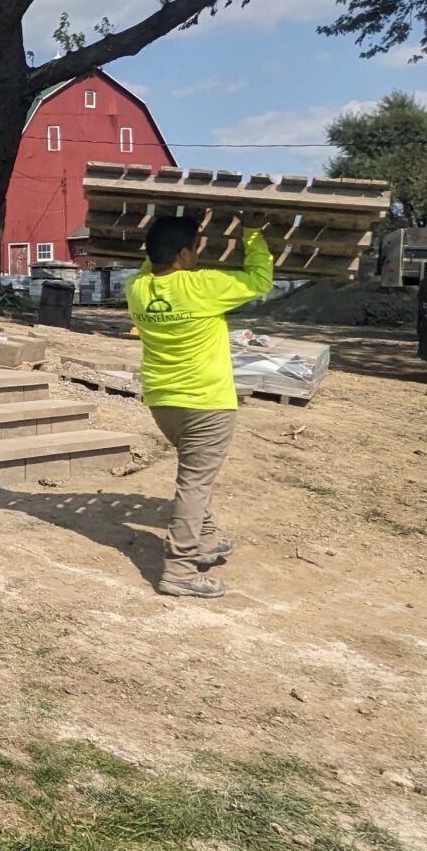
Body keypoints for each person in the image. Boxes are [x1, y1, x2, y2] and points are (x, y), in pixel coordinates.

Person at [127, 213, 276, 598]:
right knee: (194, 484)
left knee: (195, 476)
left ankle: (206, 541)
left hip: (163, 403)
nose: (198, 255)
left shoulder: (138, 289)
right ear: (183, 253)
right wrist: (253, 232)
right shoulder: (204, 286)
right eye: (195, 249)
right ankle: (178, 572)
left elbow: (152, 265)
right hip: (207, 404)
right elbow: (260, 279)